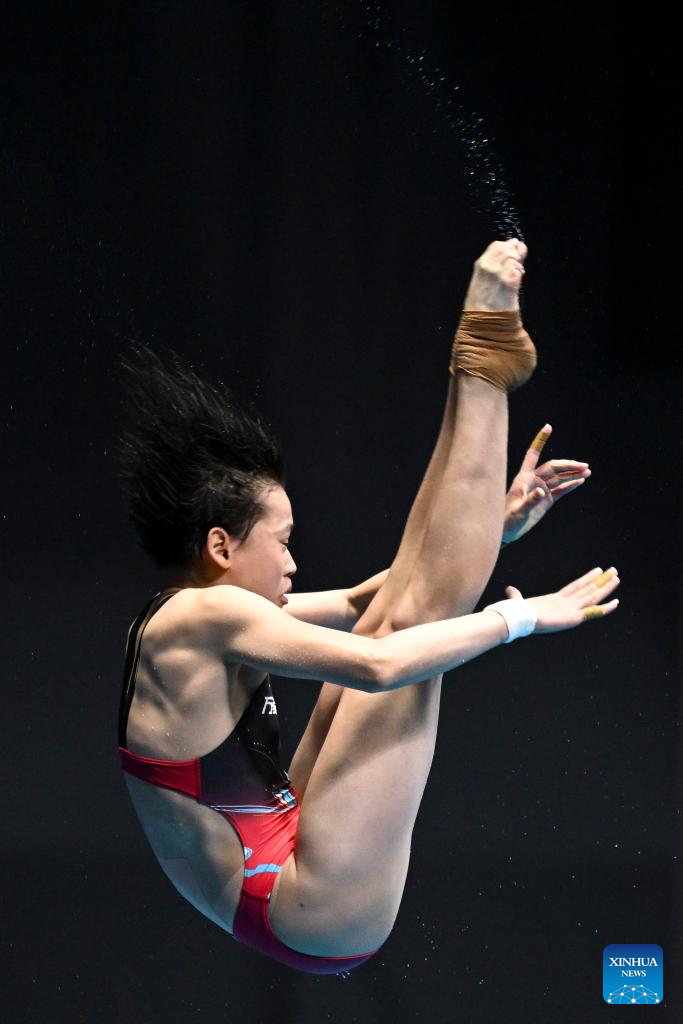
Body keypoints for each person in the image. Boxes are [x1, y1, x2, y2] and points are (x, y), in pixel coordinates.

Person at [117, 239, 619, 975]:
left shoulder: (191, 618)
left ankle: (478, 365)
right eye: (282, 543)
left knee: (400, 609)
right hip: (301, 906)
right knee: (412, 628)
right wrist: (522, 619)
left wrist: (494, 526)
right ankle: (482, 366)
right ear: (220, 546)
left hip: (277, 861)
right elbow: (381, 666)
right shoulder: (200, 618)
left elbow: (363, 601)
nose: (292, 563)